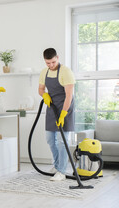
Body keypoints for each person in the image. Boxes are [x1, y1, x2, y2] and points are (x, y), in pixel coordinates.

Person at [38, 48, 75, 181]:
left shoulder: (66, 72)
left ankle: (62, 171)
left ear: (57, 58)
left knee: (61, 141)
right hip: (52, 107)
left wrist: (63, 114)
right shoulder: (44, 72)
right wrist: (45, 95)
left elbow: (69, 95)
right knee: (49, 139)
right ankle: (57, 164)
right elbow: (41, 89)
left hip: (65, 107)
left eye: (53, 62)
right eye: (48, 63)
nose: (51, 65)